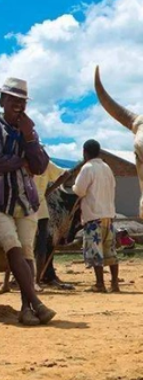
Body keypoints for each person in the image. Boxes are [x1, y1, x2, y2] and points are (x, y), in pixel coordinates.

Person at [0, 77, 56, 325]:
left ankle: (26, 308)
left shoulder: (29, 131)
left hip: (25, 202)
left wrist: (29, 137)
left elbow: (41, 166)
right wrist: (19, 162)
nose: (18, 104)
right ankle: (36, 302)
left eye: (22, 100)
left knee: (27, 251)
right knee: (11, 244)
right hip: (0, 202)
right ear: (2, 100)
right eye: (13, 99)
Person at [72, 139, 119, 292]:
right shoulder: (107, 168)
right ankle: (114, 283)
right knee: (110, 250)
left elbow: (79, 190)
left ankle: (100, 284)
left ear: (85, 153)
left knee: (95, 251)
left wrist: (73, 187)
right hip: (108, 215)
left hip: (93, 216)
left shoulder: (87, 168)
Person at [33, 160, 74, 289]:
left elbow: (66, 174)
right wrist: (48, 191)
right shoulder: (45, 163)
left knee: (27, 246)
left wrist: (48, 191)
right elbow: (66, 174)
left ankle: (33, 279)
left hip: (25, 210)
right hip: (42, 209)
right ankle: (38, 280)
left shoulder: (20, 161)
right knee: (41, 246)